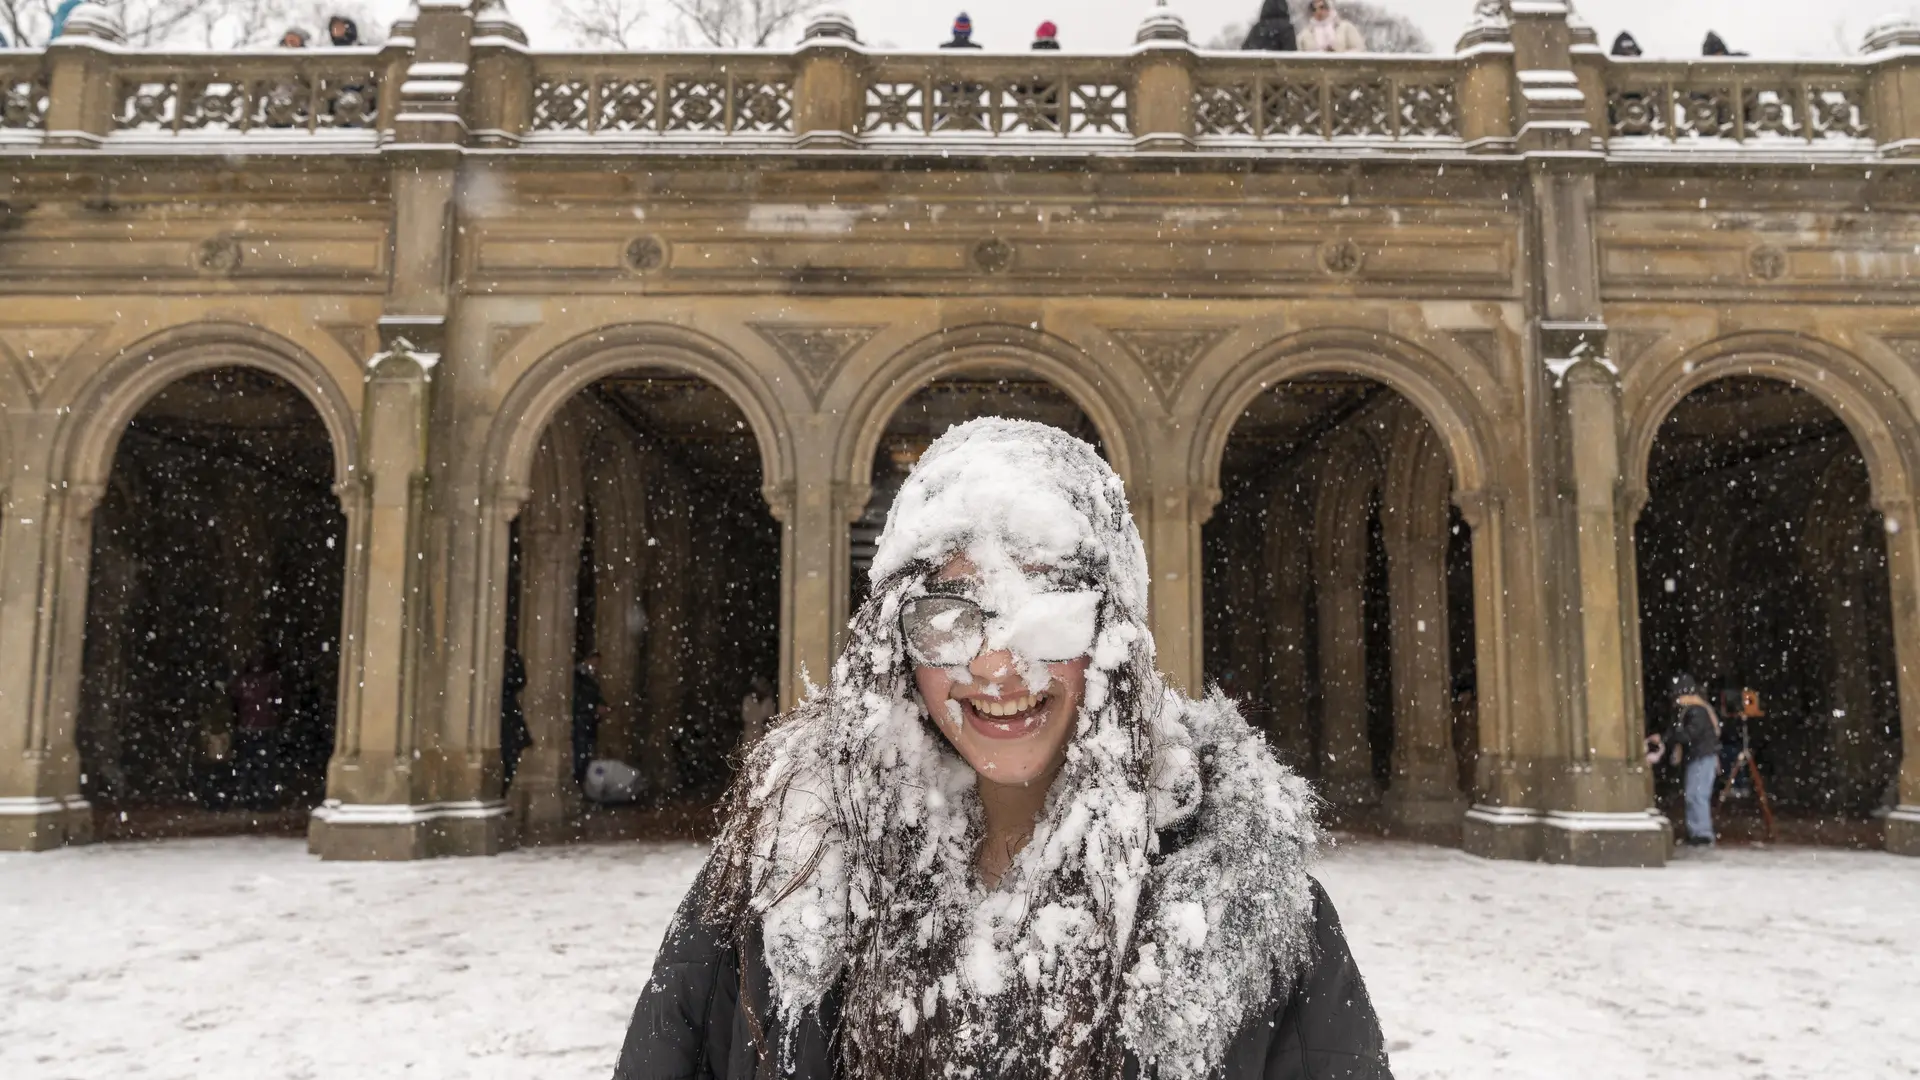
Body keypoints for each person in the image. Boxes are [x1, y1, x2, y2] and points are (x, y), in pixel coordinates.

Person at [613, 418, 1390, 1080]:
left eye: (1046, 611)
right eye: (950, 617)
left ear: (1111, 635)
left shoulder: (1249, 906)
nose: (995, 665)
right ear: (897, 646)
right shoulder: (776, 883)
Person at [1654, 674, 1722, 846]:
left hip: (1703, 757)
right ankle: (1696, 832)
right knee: (1693, 795)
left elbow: (1689, 735)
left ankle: (1702, 834)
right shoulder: (1688, 710)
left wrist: (1672, 737)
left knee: (1697, 795)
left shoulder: (1696, 711)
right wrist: (1664, 738)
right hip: (1698, 757)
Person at [229, 653, 284, 810]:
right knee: (259, 764)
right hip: (256, 727)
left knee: (254, 764)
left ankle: (255, 795)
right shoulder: (266, 681)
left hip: (256, 727)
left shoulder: (250, 682)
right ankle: (256, 795)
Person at [573, 652, 609, 787]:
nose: (596, 666)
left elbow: (596, 697)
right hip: (581, 722)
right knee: (580, 757)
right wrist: (593, 708)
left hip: (589, 723)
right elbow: (577, 700)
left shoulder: (592, 680)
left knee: (586, 757)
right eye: (594, 662)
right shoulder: (578, 678)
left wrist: (602, 707)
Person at [501, 647, 530, 790]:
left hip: (508, 716)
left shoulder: (510, 656)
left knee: (510, 759)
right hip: (504, 717)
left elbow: (520, 680)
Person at [1299, 0, 1366, 53]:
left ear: (1328, 9)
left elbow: (1360, 49)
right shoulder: (1306, 34)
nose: (1318, 11)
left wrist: (1339, 55)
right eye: (1314, 9)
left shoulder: (1345, 27)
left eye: (1322, 7)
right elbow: (1300, 56)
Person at [738, 675, 777, 752]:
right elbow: (745, 717)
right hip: (750, 735)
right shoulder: (748, 700)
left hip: (764, 735)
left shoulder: (768, 701)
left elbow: (772, 717)